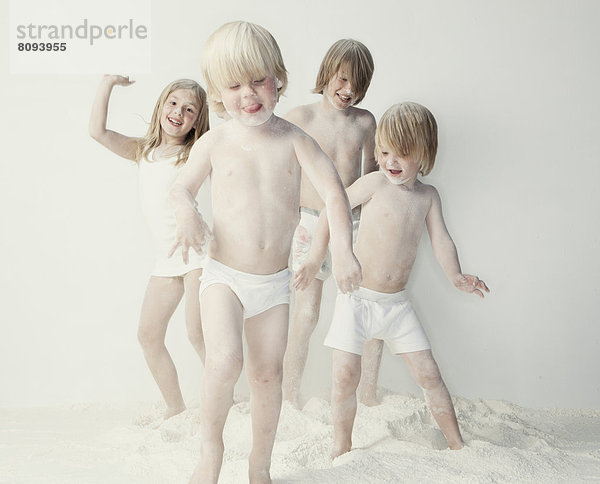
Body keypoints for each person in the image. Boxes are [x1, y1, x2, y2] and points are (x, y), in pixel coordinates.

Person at [168, 21, 361, 484]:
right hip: (224, 277)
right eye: (233, 85)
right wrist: (189, 214)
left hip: (273, 284)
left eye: (259, 80)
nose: (248, 93)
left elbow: (336, 195)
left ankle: (260, 464)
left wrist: (346, 253)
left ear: (279, 78)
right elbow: (180, 189)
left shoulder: (294, 139)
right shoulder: (215, 142)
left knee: (267, 375)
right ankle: (209, 452)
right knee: (224, 362)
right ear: (218, 92)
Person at [295, 102, 489, 457]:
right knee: (343, 380)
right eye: (384, 152)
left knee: (430, 375)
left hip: (397, 306)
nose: (390, 162)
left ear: (425, 154)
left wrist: (456, 275)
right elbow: (330, 213)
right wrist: (314, 258)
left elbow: (442, 240)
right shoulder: (373, 183)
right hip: (357, 300)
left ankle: (457, 444)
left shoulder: (428, 197)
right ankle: (342, 445)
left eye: (403, 154)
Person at [89, 75, 210, 419]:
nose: (178, 113)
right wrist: (107, 83)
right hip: (168, 258)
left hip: (198, 253)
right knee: (148, 335)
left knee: (197, 333)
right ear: (160, 106)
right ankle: (175, 407)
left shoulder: (196, 152)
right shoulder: (143, 151)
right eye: (173, 103)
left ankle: (226, 402)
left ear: (198, 120)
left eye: (189, 109)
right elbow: (98, 132)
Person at [283, 39, 383, 408]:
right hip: (309, 223)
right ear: (326, 74)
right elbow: (283, 174)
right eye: (342, 79)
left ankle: (368, 392)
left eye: (358, 84)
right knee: (306, 313)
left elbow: (372, 176)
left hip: (353, 225)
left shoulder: (365, 121)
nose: (349, 91)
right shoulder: (300, 118)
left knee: (366, 310)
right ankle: (290, 393)